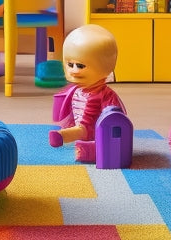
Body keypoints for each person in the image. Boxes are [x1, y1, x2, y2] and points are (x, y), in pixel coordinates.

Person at [49, 24, 126, 163]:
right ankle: (83, 145)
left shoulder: (105, 95)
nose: (73, 70)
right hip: (81, 128)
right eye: (69, 64)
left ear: (105, 67)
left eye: (80, 66)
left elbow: (114, 116)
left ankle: (84, 147)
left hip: (98, 134)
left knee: (100, 148)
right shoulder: (76, 90)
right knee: (81, 135)